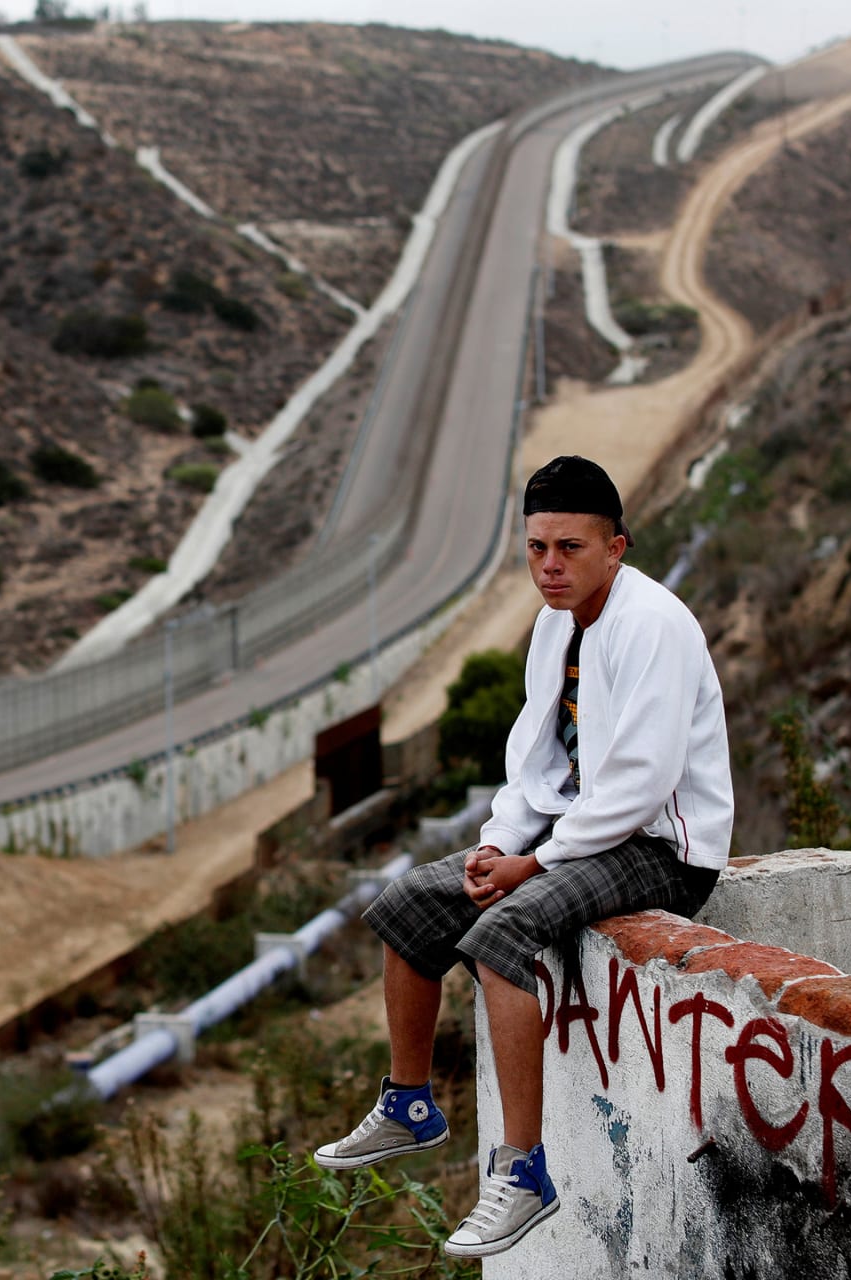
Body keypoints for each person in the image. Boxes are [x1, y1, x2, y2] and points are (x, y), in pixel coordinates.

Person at [314, 455, 733, 1259]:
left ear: (617, 546)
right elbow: (535, 763)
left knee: (500, 937)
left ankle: (525, 1170)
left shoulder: (653, 624)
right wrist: (499, 843)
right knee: (407, 907)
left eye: (570, 547)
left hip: (662, 849)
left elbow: (640, 787)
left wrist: (533, 868)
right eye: (537, 547)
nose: (549, 566)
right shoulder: (555, 622)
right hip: (581, 833)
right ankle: (408, 1104)